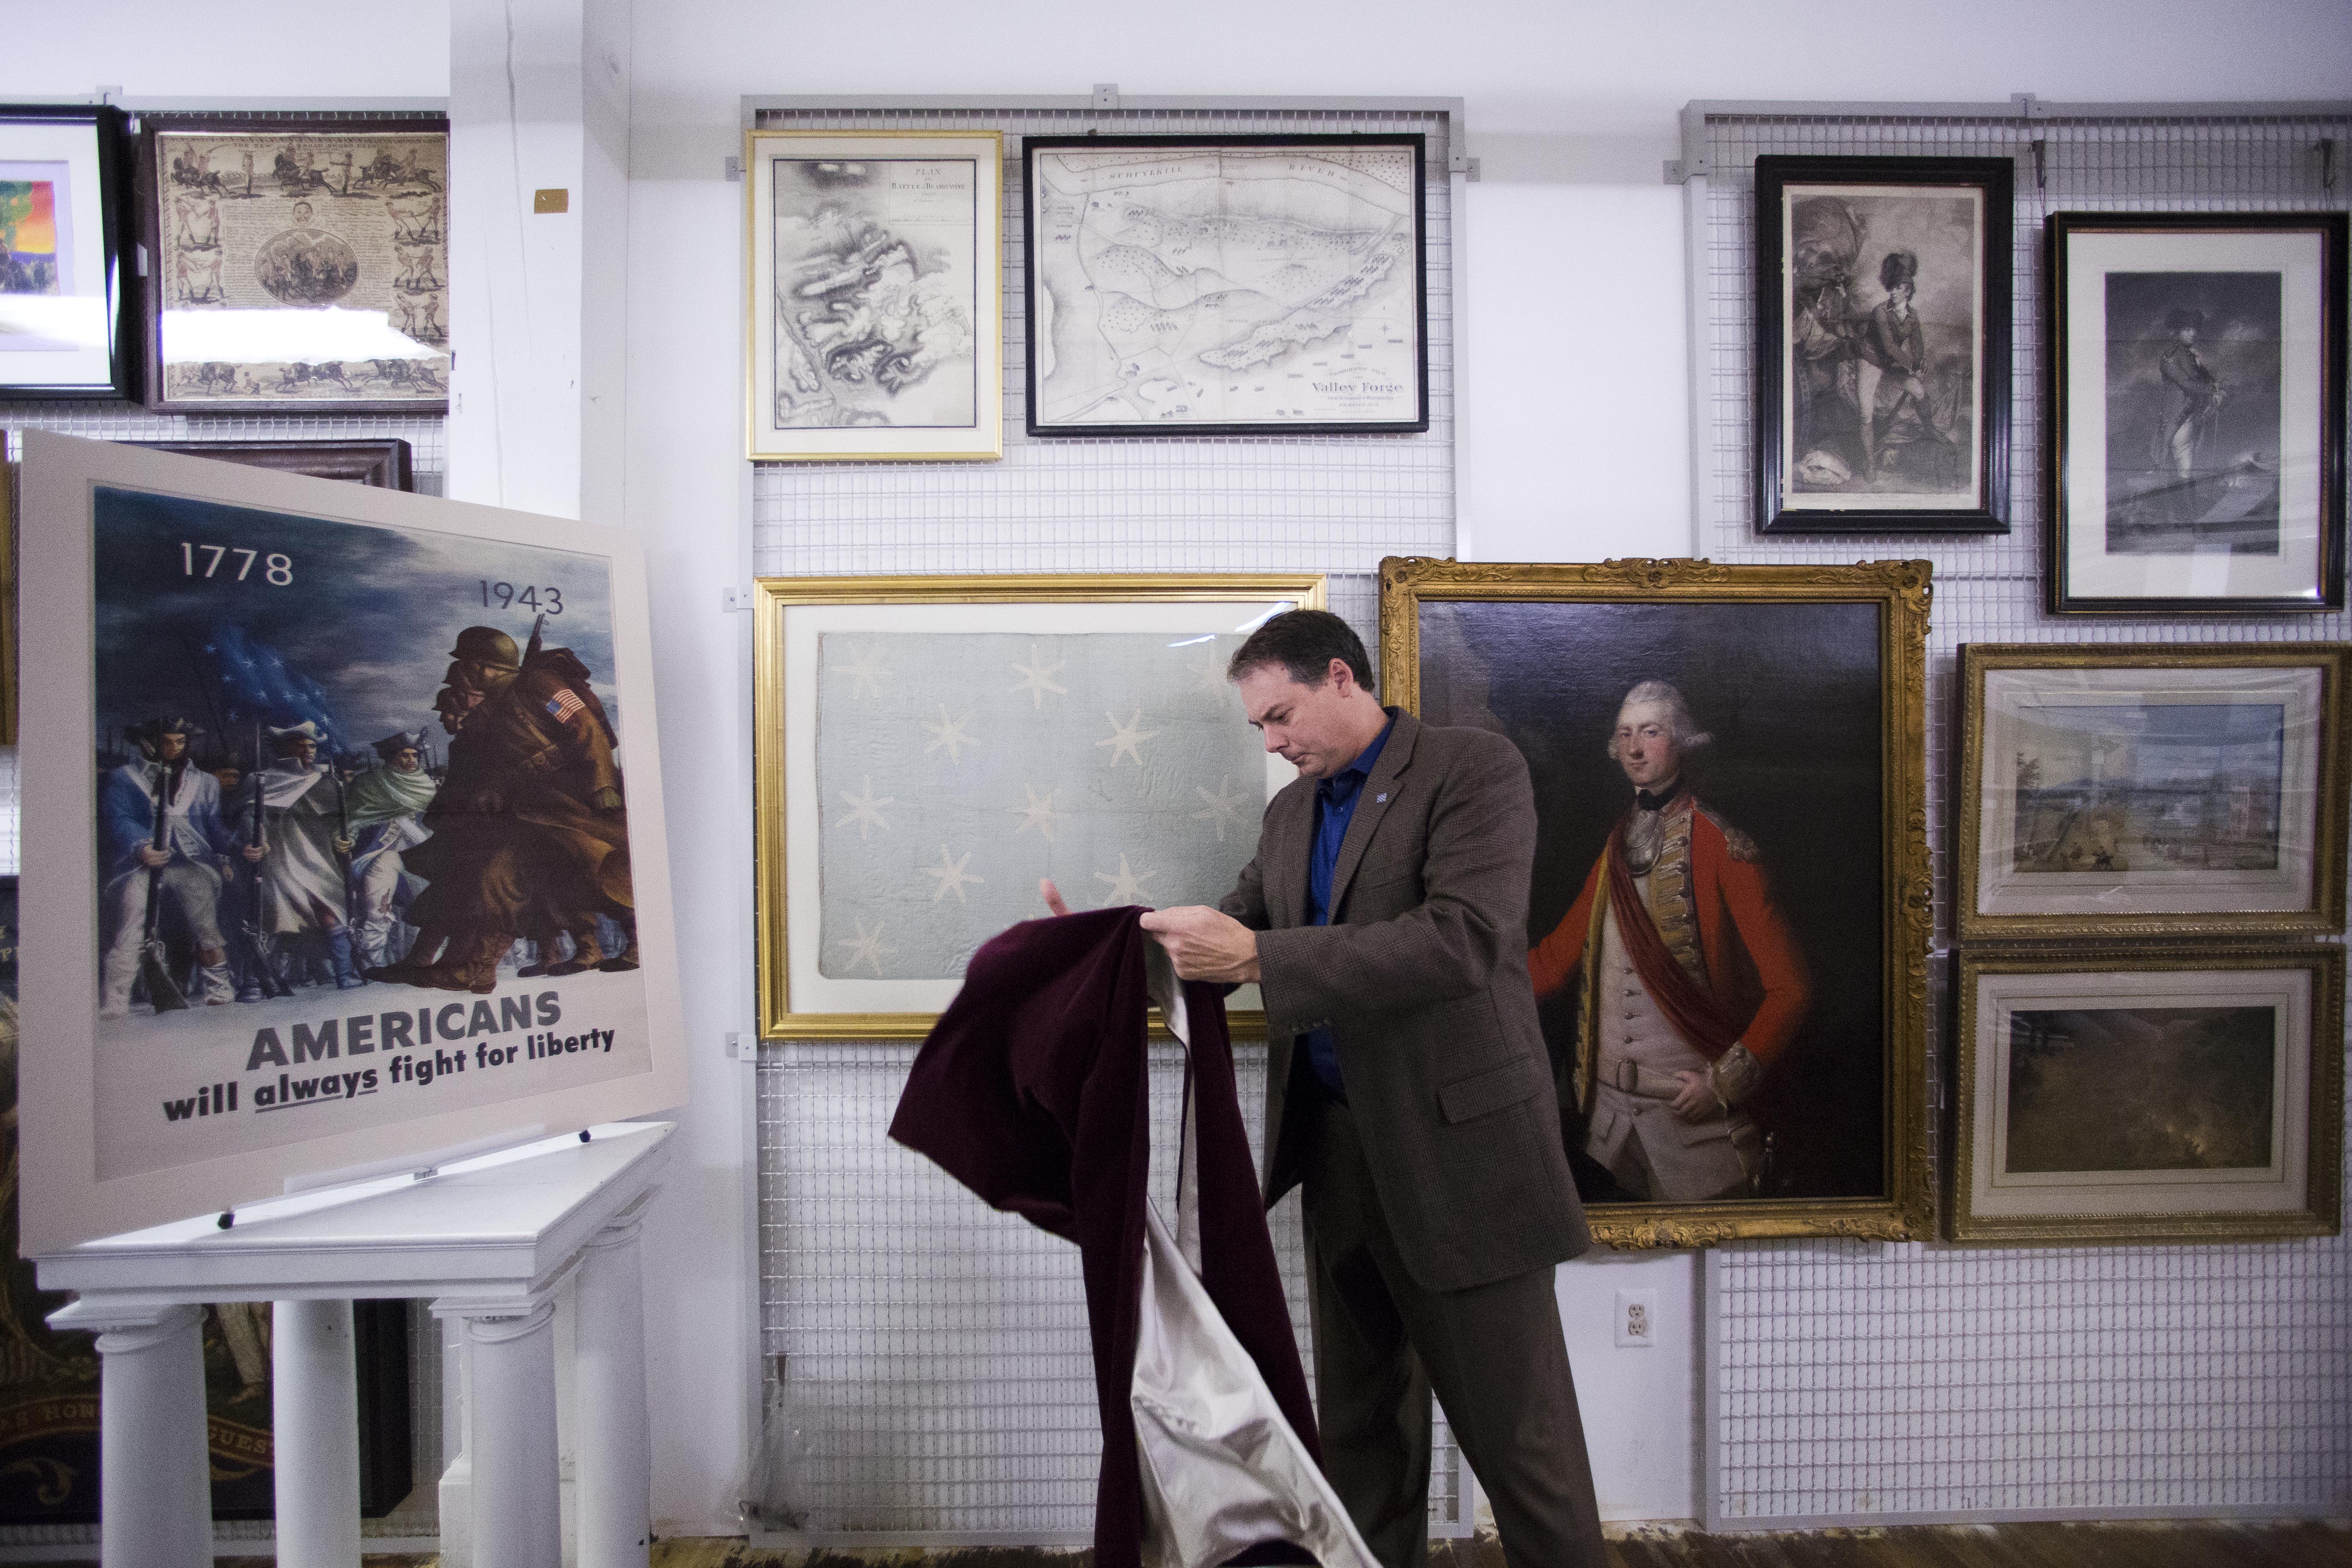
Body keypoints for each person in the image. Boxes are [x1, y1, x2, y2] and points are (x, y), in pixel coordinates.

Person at [1045, 610, 1605, 1568]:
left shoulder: (1476, 769)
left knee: (1524, 1449)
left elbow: (1464, 940)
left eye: (1280, 714)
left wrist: (1260, 954)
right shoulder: (1291, 810)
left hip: (1464, 1157)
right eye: (1258, 725)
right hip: (1338, 1152)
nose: (1271, 741)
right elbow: (1226, 938)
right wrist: (1108, 949)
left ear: (1342, 676)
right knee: (1358, 1433)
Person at [1526, 681, 1812, 1204]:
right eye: (1625, 735)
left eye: (1651, 733)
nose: (1635, 748)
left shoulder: (1722, 846)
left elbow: (1790, 989)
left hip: (1696, 1123)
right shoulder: (1614, 846)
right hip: (1607, 1126)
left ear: (1682, 742)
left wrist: (1722, 1084)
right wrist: (1471, 977)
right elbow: (1552, 961)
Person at [383, 626, 633, 992]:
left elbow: (586, 728)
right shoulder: (493, 707)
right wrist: (493, 794)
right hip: (530, 805)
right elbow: (502, 763)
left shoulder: (540, 685)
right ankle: (471, 969)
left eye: (467, 665)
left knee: (597, 867)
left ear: (484, 667)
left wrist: (603, 785)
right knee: (503, 876)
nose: (463, 675)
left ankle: (474, 969)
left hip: (571, 796)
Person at [97, 716, 242, 1014]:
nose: (174, 748)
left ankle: (218, 989)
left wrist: (224, 857)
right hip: (142, 864)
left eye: (180, 742)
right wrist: (142, 847)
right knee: (131, 923)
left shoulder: (206, 782)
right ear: (150, 742)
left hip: (191, 862)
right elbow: (119, 819)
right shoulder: (123, 778)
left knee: (206, 926)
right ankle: (115, 999)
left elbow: (214, 827)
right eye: (166, 741)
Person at [235, 720, 362, 995]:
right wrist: (256, 839)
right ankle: (255, 982)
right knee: (273, 915)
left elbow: (339, 821)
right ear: (284, 748)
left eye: (312, 745)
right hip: (277, 855)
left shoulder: (326, 781)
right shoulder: (262, 779)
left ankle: (345, 973)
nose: (308, 751)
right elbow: (249, 816)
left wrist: (345, 839)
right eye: (300, 745)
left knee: (331, 911)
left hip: (318, 857)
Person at [1858, 250, 1952, 485]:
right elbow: (1889, 347)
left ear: (1908, 290)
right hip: (1870, 359)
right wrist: (1911, 365)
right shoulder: (1880, 312)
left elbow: (1917, 343)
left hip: (1893, 363)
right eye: (1892, 288)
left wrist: (1920, 364)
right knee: (1865, 413)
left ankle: (1930, 430)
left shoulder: (1912, 316)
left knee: (1919, 391)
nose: (1893, 292)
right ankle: (1870, 464)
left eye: (1899, 288)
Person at [346, 728, 437, 970]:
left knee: (429, 907)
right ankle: (372, 965)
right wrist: (345, 838)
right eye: (405, 756)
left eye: (414, 756)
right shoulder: (369, 784)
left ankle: (416, 962)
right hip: (377, 854)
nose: (411, 761)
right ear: (390, 758)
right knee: (378, 912)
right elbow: (350, 821)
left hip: (417, 853)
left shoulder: (426, 785)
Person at [2157, 306, 2224, 517]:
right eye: (2186, 330)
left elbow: (2206, 379)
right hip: (2177, 416)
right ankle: (2184, 515)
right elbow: (2187, 384)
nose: (2192, 333)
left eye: (2194, 329)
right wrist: (2210, 390)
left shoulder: (2192, 357)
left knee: (2188, 464)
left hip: (2192, 415)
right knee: (2180, 464)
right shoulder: (2170, 358)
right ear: (2177, 332)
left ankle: (2189, 513)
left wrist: (2216, 388)